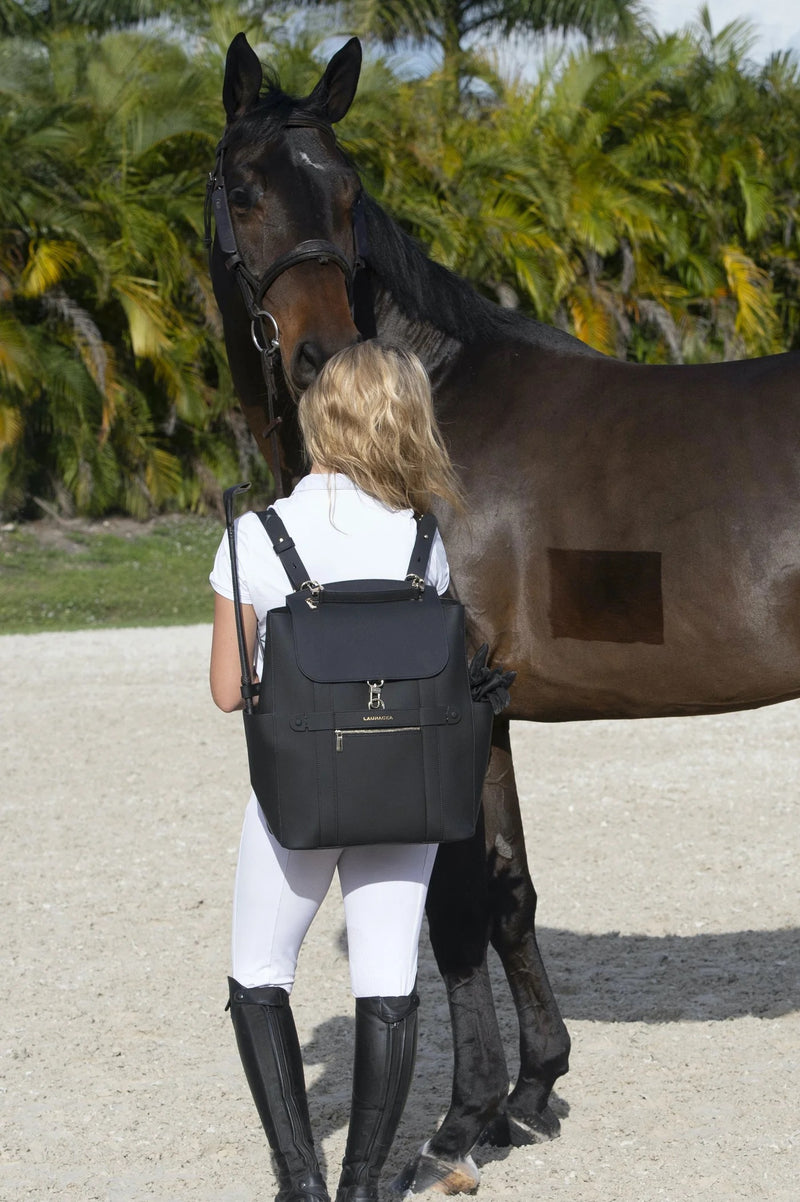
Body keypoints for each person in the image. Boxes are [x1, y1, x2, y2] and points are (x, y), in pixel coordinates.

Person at [208, 339, 464, 1202]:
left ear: (321, 414)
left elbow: (224, 690)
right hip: (405, 783)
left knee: (260, 970)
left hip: (301, 789)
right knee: (389, 974)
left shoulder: (258, 535)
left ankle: (300, 1184)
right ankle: (362, 1187)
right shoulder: (424, 538)